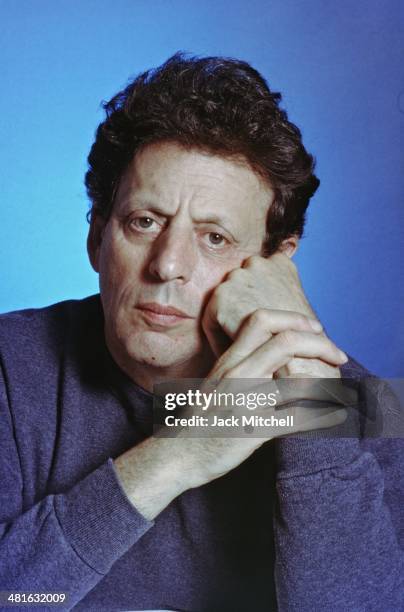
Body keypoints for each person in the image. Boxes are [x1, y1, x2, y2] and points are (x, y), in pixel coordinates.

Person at [0, 53, 402, 611]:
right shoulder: (10, 367)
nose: (168, 265)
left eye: (214, 237)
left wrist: (313, 400)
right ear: (97, 239)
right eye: (145, 222)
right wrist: (180, 453)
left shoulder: (359, 401)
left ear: (276, 268)